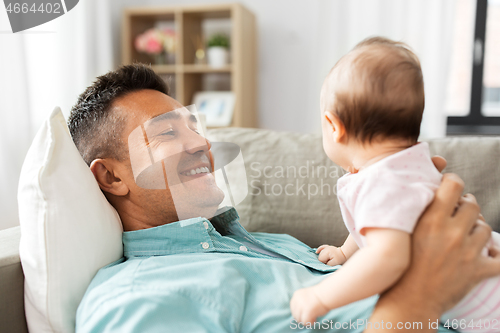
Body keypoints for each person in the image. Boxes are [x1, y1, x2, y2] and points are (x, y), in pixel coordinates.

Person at [68, 64, 500, 332]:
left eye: (194, 127)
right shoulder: (136, 299)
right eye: (166, 132)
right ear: (111, 176)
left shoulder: (271, 244)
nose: (201, 145)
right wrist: (421, 299)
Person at [290, 37, 500, 332]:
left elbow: (388, 257)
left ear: (334, 126)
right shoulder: (405, 166)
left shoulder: (382, 181)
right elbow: (378, 225)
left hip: (487, 305)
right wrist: (344, 252)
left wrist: (322, 296)